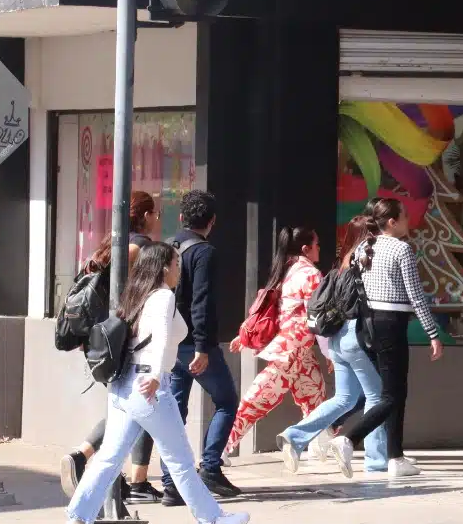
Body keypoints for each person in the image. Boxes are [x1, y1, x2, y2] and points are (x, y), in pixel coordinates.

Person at [62, 243, 250, 524]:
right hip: (148, 385)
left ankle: (78, 520)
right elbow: (161, 338)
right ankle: (212, 521)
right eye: (176, 264)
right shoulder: (163, 296)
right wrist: (154, 375)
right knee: (180, 460)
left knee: (109, 458)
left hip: (124, 385)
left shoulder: (137, 294)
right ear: (164, 268)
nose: (179, 270)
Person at [61, 191, 164, 503]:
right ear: (144, 215)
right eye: (155, 213)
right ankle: (135, 480)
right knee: (142, 403)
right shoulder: (140, 246)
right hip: (128, 339)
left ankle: (85, 458)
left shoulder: (110, 244)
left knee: (127, 406)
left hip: (103, 338)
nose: (157, 219)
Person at [224, 226, 348, 475]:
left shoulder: (287, 270)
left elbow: (274, 311)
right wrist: (330, 353)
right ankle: (222, 448)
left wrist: (245, 335)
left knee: (315, 404)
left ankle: (318, 445)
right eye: (317, 244)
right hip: (291, 353)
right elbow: (319, 319)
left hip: (295, 352)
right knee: (256, 401)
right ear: (306, 248)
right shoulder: (311, 274)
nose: (319, 249)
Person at [334, 197, 443, 478]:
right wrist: (433, 333)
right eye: (404, 217)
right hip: (392, 323)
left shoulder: (363, 248)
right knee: (393, 394)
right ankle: (349, 439)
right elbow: (416, 295)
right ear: (392, 222)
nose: (409, 221)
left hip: (367, 324)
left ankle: (395, 456)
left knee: (392, 391)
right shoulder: (401, 249)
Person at [276, 216, 385, 477]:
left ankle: (295, 435)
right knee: (377, 397)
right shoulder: (365, 263)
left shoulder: (339, 265)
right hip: (355, 337)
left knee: (345, 398)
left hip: (336, 339)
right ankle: (375, 460)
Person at [158, 191, 241, 504]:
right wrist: (203, 347)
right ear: (212, 222)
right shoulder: (204, 253)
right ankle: (210, 466)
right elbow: (202, 302)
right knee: (227, 401)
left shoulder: (167, 247)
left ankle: (171, 482)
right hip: (193, 343)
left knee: (174, 412)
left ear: (181, 218)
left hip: (168, 342)